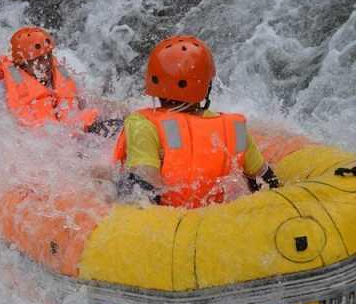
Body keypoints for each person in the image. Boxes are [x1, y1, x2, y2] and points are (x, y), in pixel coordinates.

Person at [109, 35, 279, 208]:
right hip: (217, 218)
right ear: (206, 86)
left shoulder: (142, 123)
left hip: (169, 222)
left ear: (152, 82)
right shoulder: (235, 128)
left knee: (104, 178)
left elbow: (143, 190)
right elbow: (268, 181)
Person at [0, 26, 100, 130]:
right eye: (38, 60)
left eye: (48, 56)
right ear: (22, 64)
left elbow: (86, 105)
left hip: (70, 135)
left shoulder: (64, 74)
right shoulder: (3, 91)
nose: (46, 63)